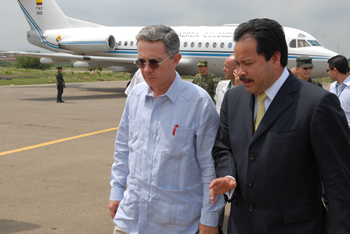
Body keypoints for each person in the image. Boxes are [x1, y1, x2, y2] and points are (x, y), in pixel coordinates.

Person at [209, 18, 350, 234]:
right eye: (238, 64)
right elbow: (224, 148)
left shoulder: (317, 104)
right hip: (241, 226)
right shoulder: (233, 99)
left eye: (248, 63)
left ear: (275, 58)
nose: (241, 72)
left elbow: (339, 183)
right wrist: (229, 175)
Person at [108, 25, 225, 234]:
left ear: (176, 59)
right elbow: (123, 149)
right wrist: (116, 191)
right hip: (131, 218)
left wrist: (209, 218)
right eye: (141, 62)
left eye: (154, 62)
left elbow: (210, 168)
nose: (146, 69)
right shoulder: (135, 96)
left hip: (176, 225)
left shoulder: (198, 103)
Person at [328, 55, 350, 127]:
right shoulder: (333, 86)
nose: (328, 73)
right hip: (336, 131)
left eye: (328, 70)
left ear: (335, 70)